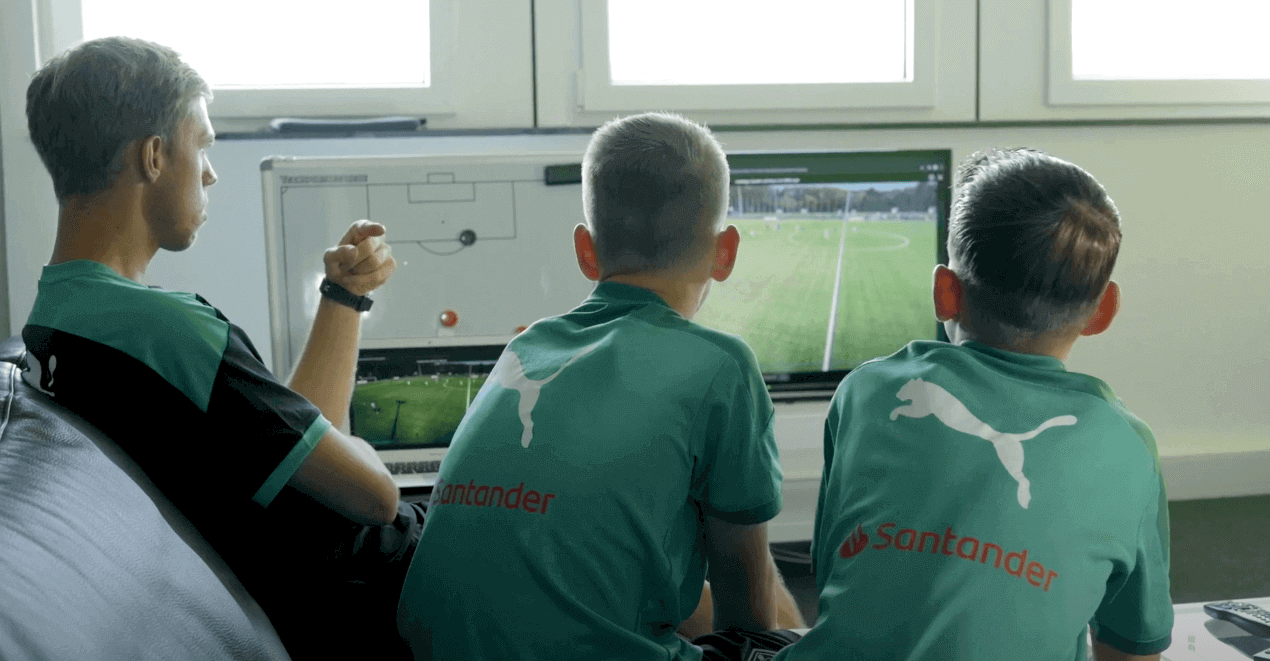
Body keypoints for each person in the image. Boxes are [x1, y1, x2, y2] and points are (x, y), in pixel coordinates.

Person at [23, 36, 418, 657]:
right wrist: (361, 448)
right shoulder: (168, 331)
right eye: (201, 145)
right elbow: (377, 495)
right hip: (379, 589)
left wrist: (342, 299)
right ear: (154, 156)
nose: (209, 171)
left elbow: (296, 440)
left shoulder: (58, 316)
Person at [396, 111, 804, 660]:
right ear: (724, 252)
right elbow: (748, 618)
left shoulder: (526, 349)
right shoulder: (722, 365)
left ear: (586, 250)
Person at [773, 148, 1172, 661]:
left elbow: (835, 576)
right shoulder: (1127, 445)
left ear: (945, 292)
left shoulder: (867, 391)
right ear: (1103, 311)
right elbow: (1132, 652)